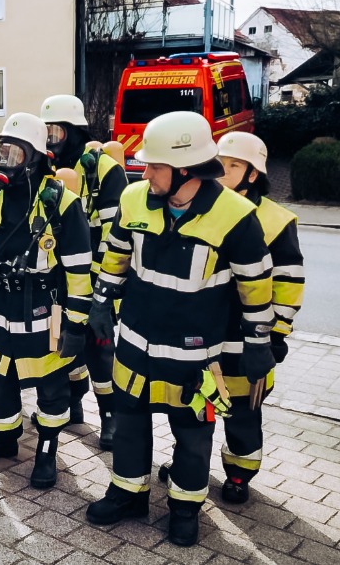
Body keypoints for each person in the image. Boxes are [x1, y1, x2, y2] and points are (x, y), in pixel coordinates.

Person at [84, 112, 275, 546]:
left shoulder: (236, 215)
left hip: (196, 356)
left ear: (185, 168)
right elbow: (114, 254)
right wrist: (100, 301)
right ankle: (127, 492)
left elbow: (256, 284)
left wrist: (260, 341)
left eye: (154, 165)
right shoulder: (134, 199)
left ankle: (185, 508)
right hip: (134, 343)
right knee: (130, 422)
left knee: (193, 433)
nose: (144, 172)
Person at [0, 113, 93, 489]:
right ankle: (4, 440)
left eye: (13, 155)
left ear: (35, 159)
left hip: (48, 308)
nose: (3, 162)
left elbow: (80, 273)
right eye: (0, 152)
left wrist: (76, 325)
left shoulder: (63, 202)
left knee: (51, 385)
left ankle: (47, 450)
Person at [214, 131, 304, 502]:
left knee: (243, 413)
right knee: (194, 409)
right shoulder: (205, 208)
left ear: (253, 174)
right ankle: (189, 464)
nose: (222, 171)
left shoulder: (277, 220)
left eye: (232, 165)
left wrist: (276, 336)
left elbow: (288, 283)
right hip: (206, 333)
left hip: (250, 338)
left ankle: (239, 474)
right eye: (219, 163)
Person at [40, 94, 128, 450]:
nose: (49, 137)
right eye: (45, 129)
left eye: (55, 130)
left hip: (94, 281)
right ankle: (72, 404)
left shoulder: (105, 170)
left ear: (73, 131)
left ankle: (110, 417)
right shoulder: (47, 168)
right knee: (61, 344)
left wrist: (101, 288)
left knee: (100, 352)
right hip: (59, 279)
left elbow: (115, 235)